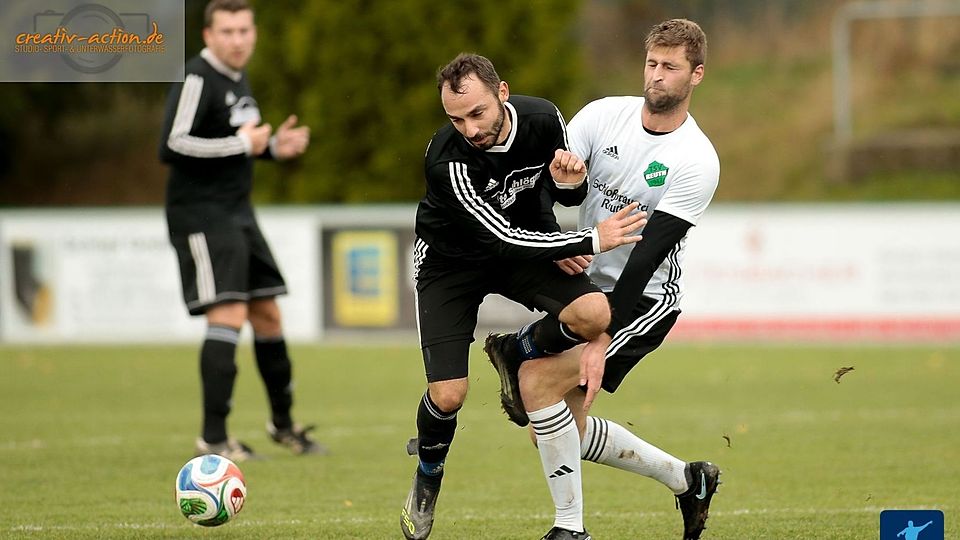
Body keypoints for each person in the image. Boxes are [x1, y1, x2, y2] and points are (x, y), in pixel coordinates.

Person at [484, 19, 721, 539]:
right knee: (552, 427)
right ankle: (689, 479)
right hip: (589, 287)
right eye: (652, 64)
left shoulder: (696, 160)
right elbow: (553, 190)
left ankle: (570, 530)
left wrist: (602, 336)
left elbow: (647, 254)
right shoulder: (601, 116)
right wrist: (568, 197)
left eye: (671, 67)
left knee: (535, 383)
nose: (656, 77)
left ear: (696, 75)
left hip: (644, 299)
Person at [401, 52, 648, 540]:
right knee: (448, 395)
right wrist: (586, 240)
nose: (469, 128)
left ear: (502, 94)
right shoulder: (445, 158)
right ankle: (428, 475)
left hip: (521, 244)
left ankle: (519, 350)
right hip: (451, 263)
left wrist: (568, 185)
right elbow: (500, 239)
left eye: (477, 114)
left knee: (595, 313)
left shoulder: (544, 117)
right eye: (456, 118)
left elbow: (559, 195)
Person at [159, 0, 323, 461]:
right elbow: (172, 143)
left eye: (244, 30)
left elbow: (234, 145)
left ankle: (284, 425)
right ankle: (213, 439)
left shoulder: (237, 78)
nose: (237, 39)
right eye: (227, 31)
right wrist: (243, 143)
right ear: (208, 35)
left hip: (239, 214)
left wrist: (270, 147)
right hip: (202, 215)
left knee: (267, 314)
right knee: (228, 314)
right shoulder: (197, 76)